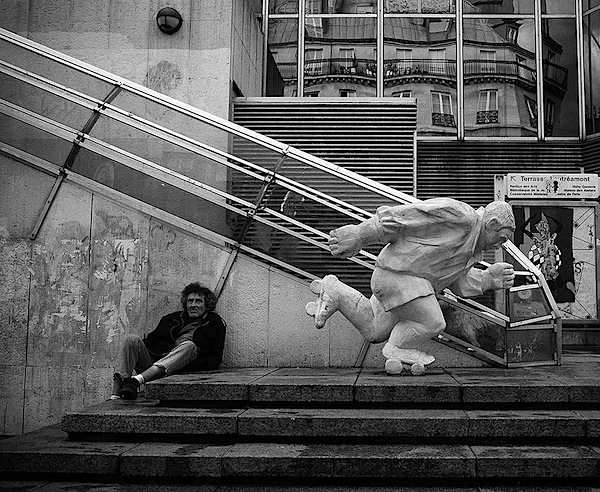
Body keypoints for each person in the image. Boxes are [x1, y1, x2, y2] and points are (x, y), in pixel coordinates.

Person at [305, 198, 516, 375]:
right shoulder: (462, 216)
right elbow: (407, 217)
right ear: (492, 224)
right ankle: (396, 348)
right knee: (433, 322)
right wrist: (361, 234)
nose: (500, 244)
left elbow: (456, 280)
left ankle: (335, 292)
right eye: (502, 238)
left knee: (374, 330)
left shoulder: (472, 248)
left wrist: (487, 279)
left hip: (405, 282)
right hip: (399, 275)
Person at [112, 282, 227, 399]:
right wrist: (137, 352)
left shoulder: (214, 324)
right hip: (153, 367)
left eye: (198, 301)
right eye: (190, 301)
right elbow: (150, 341)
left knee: (189, 346)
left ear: (207, 305)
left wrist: (188, 365)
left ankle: (136, 381)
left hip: (180, 369)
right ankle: (116, 394)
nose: (193, 305)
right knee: (131, 339)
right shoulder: (171, 319)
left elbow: (215, 359)